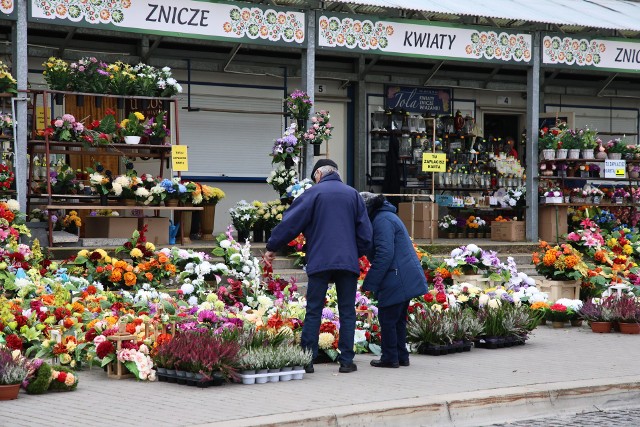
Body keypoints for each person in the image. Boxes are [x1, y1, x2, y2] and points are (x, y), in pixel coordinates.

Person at [263, 159, 372, 374]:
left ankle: (307, 360)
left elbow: (291, 222)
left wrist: (272, 246)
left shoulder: (313, 193)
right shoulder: (353, 195)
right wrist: (354, 252)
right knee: (347, 311)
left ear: (319, 175)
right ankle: (347, 361)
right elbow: (366, 235)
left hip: (320, 261)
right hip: (347, 263)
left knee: (314, 310)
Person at [359, 192, 428, 368]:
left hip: (397, 275)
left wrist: (370, 282)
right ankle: (401, 355)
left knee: (388, 318)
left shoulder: (382, 221)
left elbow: (384, 254)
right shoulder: (386, 216)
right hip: (402, 274)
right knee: (397, 319)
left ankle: (390, 357)